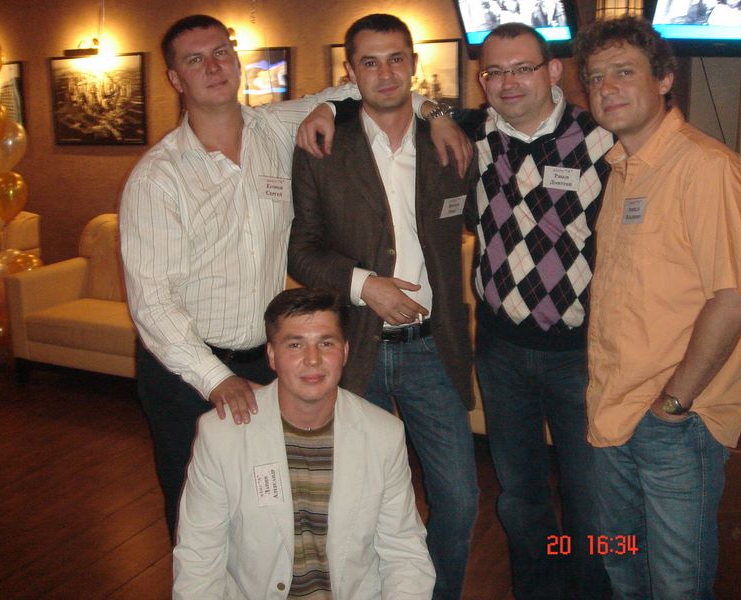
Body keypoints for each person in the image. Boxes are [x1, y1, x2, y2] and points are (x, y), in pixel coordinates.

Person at [119, 14, 468, 540]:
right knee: (199, 515)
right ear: (175, 78)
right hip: (187, 373)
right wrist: (216, 379)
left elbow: (374, 86)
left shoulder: (275, 128)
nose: (213, 67)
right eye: (195, 59)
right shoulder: (157, 177)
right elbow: (153, 303)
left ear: (236, 60)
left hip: (265, 362)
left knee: (270, 510)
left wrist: (435, 112)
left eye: (221, 52)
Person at [288, 14, 479, 600]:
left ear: (414, 64)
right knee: (360, 502)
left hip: (433, 349)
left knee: (459, 499)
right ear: (350, 72)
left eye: (396, 58)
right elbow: (302, 250)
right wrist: (364, 284)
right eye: (369, 62)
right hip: (355, 351)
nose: (385, 73)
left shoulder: (450, 142)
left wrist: (438, 113)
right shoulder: (322, 145)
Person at [573, 16, 741, 598]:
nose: (606, 88)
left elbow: (735, 296)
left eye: (623, 72)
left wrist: (673, 404)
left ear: (663, 80)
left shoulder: (706, 167)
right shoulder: (622, 171)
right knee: (624, 572)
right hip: (612, 414)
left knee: (677, 584)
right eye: (595, 77)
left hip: (674, 424)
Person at [463, 23, 612, 600]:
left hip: (581, 355)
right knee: (521, 498)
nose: (508, 82)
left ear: (552, 72)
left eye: (522, 68)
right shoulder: (472, 137)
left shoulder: (603, 139)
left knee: (592, 501)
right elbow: (396, 102)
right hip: (500, 350)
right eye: (495, 71)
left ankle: (591, 590)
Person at [173, 287, 435, 599]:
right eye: (295, 344)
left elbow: (404, 552)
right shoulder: (221, 436)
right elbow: (199, 559)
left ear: (345, 351)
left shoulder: (384, 435)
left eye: (326, 343)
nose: (313, 359)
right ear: (272, 355)